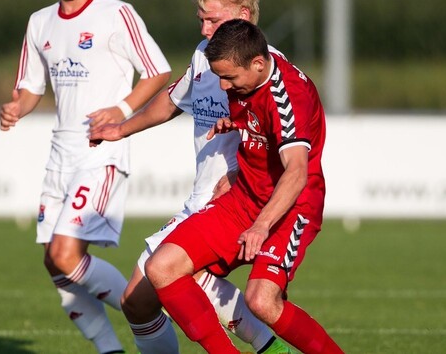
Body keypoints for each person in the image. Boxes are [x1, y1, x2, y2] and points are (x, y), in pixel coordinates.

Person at [89, 0, 291, 354]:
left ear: (242, 17)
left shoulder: (266, 67)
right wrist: (122, 127)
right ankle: (271, 347)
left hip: (236, 202)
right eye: (201, 19)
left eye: (212, 20)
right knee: (138, 301)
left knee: (174, 272)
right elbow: (172, 99)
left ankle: (271, 347)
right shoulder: (205, 56)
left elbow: (289, 143)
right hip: (201, 197)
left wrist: (242, 176)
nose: (203, 29)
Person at [0, 0, 171, 353]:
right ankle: (110, 349)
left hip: (102, 151)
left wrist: (123, 110)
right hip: (60, 154)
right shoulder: (40, 22)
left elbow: (158, 71)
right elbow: (32, 86)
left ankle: (145, 309)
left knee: (63, 254)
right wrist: (17, 106)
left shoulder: (117, 13)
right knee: (55, 263)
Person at [144, 19, 343, 353]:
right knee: (162, 268)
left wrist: (261, 226)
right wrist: (233, 125)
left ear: (258, 64)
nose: (222, 87)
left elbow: (296, 172)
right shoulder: (243, 81)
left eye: (229, 77)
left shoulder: (287, 97)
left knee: (262, 300)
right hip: (242, 200)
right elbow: (257, 125)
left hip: (290, 208)